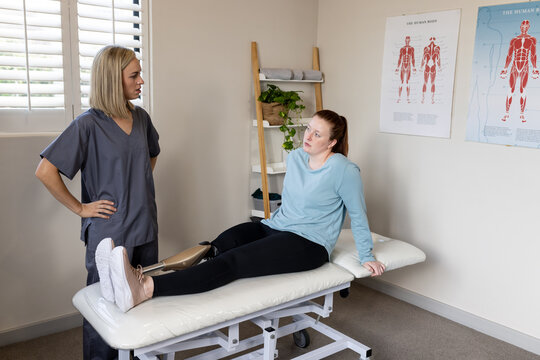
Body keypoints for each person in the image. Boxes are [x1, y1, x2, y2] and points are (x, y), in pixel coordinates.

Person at [99, 109, 385, 313]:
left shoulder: (344, 170)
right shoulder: (297, 157)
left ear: (332, 142)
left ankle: (146, 288)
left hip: (308, 244)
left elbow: (358, 214)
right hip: (275, 226)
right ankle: (138, 274)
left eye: (317, 134)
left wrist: (367, 255)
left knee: (233, 262)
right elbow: (294, 204)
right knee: (216, 245)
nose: (308, 136)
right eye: (309, 128)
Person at [35, 45, 160, 360]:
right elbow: (45, 171)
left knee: (144, 305)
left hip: (145, 226)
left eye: (139, 74)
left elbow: (151, 154)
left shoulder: (141, 118)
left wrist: (138, 184)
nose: (141, 81)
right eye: (134, 75)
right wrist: (81, 208)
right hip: (110, 233)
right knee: (103, 312)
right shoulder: (87, 124)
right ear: (112, 79)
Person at [500, 19, 539, 123]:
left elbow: (533, 55)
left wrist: (535, 68)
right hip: (514, 65)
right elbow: (509, 55)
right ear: (520, 27)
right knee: (511, 89)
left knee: (522, 90)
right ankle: (506, 113)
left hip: (525, 66)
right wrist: (505, 68)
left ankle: (522, 114)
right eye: (523, 26)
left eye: (526, 26)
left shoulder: (532, 40)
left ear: (529, 27)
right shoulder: (514, 40)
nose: (524, 28)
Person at [395, 36, 416, 103]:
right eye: (406, 40)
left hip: (409, 66)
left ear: (409, 40)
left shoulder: (412, 48)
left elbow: (413, 58)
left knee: (407, 82)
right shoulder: (402, 49)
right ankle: (399, 98)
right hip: (403, 65)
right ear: (405, 40)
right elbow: (400, 58)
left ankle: (407, 98)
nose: (407, 41)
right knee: (401, 81)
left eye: (408, 40)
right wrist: (397, 68)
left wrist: (414, 67)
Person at [421, 37, 441, 104]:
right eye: (431, 39)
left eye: (433, 39)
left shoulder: (437, 48)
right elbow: (423, 58)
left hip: (433, 67)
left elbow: (438, 58)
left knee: (432, 83)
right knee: (425, 82)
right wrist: (421, 66)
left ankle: (432, 99)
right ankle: (423, 99)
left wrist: (439, 66)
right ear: (429, 40)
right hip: (427, 66)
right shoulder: (426, 48)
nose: (432, 40)